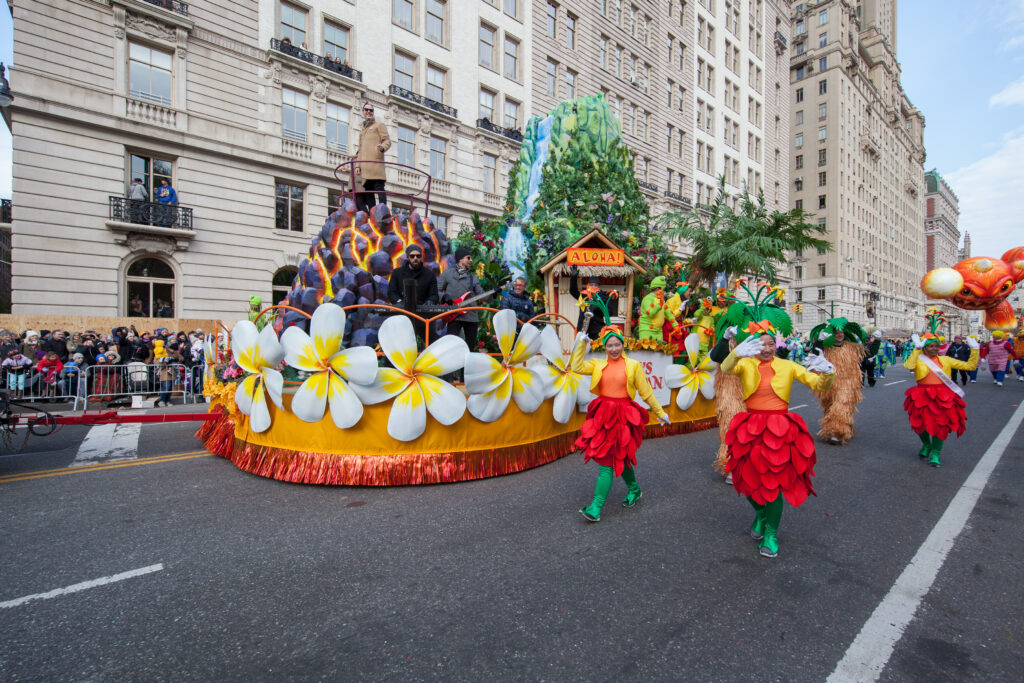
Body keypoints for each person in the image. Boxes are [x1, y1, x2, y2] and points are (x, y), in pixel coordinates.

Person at [722, 321, 835, 558]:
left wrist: (827, 372)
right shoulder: (745, 363)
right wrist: (735, 353)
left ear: (777, 345)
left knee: (773, 484)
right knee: (747, 480)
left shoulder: (788, 365)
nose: (766, 349)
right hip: (751, 428)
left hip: (779, 429)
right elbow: (726, 368)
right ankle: (761, 514)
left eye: (771, 344)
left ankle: (771, 533)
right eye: (761, 344)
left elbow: (817, 383)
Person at [570, 321, 671, 522]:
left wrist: (660, 412)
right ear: (604, 347)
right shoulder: (598, 364)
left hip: (623, 417)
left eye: (617, 344)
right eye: (609, 345)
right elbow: (576, 366)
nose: (614, 349)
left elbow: (646, 393)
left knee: (614, 460)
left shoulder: (633, 366)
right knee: (612, 460)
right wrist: (581, 344)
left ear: (623, 344)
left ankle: (596, 507)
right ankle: (634, 489)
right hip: (603, 417)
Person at [904, 322, 979, 468]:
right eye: (930, 346)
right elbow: (909, 366)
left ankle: (936, 454)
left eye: (936, 346)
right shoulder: (918, 358)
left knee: (940, 425)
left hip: (942, 396)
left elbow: (970, 366)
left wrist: (975, 349)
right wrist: (917, 349)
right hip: (922, 395)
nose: (934, 349)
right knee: (919, 424)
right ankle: (927, 445)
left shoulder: (946, 360)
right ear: (925, 347)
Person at [809, 317, 867, 445]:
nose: (839, 335)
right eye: (836, 333)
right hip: (829, 383)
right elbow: (815, 352)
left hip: (847, 384)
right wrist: (820, 340)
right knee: (830, 407)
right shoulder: (826, 348)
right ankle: (837, 429)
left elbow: (869, 353)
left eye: (841, 333)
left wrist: (877, 340)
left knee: (842, 405)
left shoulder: (852, 347)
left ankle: (836, 432)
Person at [388, 244, 439, 340]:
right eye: (412, 256)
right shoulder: (397, 273)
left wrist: (430, 302)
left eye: (418, 256)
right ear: (408, 257)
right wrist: (400, 303)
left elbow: (434, 295)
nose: (415, 258)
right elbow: (392, 292)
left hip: (423, 318)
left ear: (421, 257)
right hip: (402, 317)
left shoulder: (429, 275)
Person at [438, 247, 486, 346]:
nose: (471, 260)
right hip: (453, 315)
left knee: (470, 347)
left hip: (471, 316)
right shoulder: (447, 273)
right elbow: (436, 290)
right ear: (460, 259)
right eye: (468, 258)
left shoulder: (473, 277)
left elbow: (482, 295)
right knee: (450, 346)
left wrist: (493, 294)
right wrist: (443, 296)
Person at [354, 103, 391, 214]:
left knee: (379, 188)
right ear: (363, 112)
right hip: (365, 167)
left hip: (376, 164)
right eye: (366, 110)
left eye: (371, 110)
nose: (368, 112)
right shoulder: (362, 131)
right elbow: (360, 149)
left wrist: (382, 147)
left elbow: (387, 140)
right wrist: (357, 166)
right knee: (368, 192)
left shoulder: (379, 125)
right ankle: (373, 214)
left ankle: (383, 212)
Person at [568, 265, 618, 340]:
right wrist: (573, 278)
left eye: (595, 285)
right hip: (583, 329)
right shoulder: (583, 295)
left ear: (598, 286)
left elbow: (610, 312)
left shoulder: (603, 296)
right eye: (591, 285)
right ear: (588, 285)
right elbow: (573, 291)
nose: (593, 287)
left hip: (597, 330)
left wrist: (597, 307)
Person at [637, 276, 672, 341]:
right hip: (647, 331)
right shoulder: (647, 299)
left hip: (658, 332)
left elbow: (668, 313)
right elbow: (650, 313)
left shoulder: (661, 299)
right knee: (647, 348)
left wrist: (676, 325)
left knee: (659, 348)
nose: (664, 292)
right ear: (658, 289)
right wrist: (659, 305)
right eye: (663, 289)